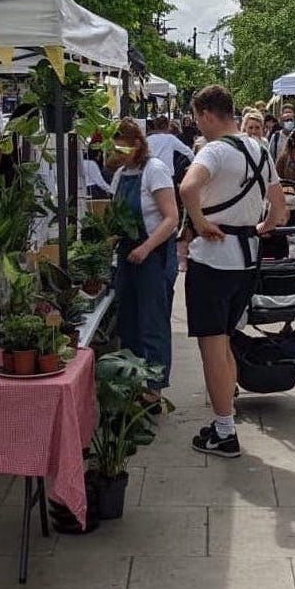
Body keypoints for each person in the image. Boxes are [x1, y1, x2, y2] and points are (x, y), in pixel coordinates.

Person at [179, 85, 287, 458]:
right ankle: (225, 419)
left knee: (212, 347)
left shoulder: (214, 150)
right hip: (247, 259)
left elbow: (187, 188)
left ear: (208, 114)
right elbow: (280, 209)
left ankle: (224, 430)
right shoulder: (259, 149)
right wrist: (262, 227)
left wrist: (200, 222)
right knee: (225, 339)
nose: (198, 125)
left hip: (212, 259)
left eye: (197, 117)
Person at [108, 119, 180, 403]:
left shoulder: (156, 171)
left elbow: (171, 218)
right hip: (127, 256)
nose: (117, 154)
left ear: (137, 144)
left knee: (152, 322)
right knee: (128, 321)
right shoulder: (121, 174)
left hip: (153, 256)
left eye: (121, 147)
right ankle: (132, 380)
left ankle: (153, 388)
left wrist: (147, 247)